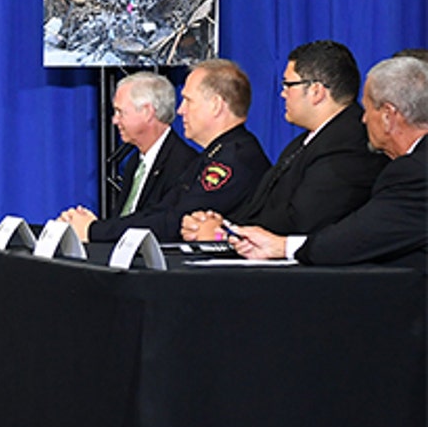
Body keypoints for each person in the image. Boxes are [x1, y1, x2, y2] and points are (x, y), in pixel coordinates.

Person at [232, 55, 428, 271]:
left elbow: (359, 237)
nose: (363, 119)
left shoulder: (416, 173)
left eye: (368, 108)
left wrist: (282, 247)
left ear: (388, 115)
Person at [180, 40, 383, 241]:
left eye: (288, 84)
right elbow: (261, 207)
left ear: (316, 91)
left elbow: (301, 221)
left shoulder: (348, 145)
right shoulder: (305, 142)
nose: (283, 93)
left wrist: (224, 234)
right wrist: (221, 224)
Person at [60, 59, 269, 243]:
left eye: (188, 101)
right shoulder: (216, 154)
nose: (180, 110)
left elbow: (172, 222)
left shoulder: (234, 160)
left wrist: (94, 231)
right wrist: (96, 229)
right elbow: (161, 211)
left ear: (215, 105)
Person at [99, 71, 199, 221]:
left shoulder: (184, 164)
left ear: (147, 112)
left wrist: (94, 229)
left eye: (120, 112)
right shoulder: (135, 163)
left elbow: (157, 223)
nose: (115, 120)